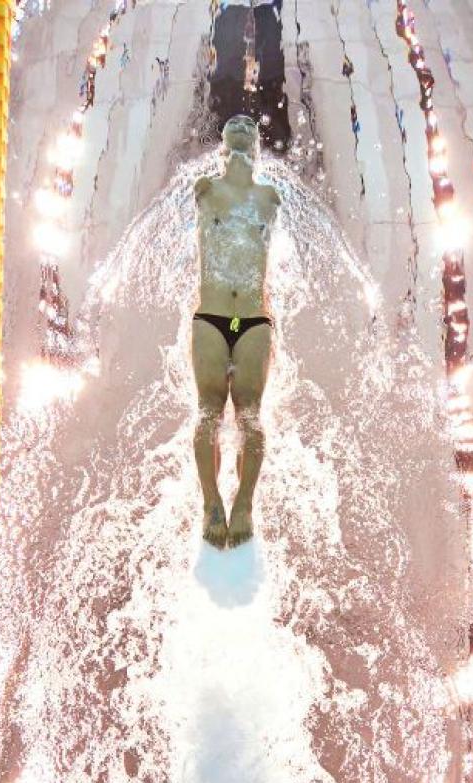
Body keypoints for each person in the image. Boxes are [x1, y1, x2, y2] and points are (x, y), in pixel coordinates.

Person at [191, 114, 281, 549]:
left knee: (250, 414)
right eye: (235, 125)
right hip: (211, 316)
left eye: (250, 125)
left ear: (257, 147)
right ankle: (211, 503)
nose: (243, 123)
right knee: (209, 409)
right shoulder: (206, 191)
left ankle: (244, 502)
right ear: (223, 146)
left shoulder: (269, 198)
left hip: (252, 319)